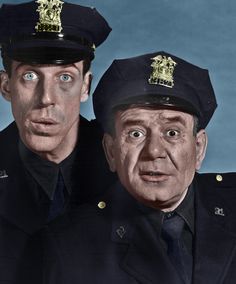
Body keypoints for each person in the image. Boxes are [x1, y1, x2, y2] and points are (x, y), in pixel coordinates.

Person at [43, 51, 236, 284]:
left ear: (199, 148)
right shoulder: (69, 246)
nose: (154, 151)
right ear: (111, 151)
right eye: (136, 133)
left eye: (172, 133)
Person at [0, 0, 113, 283]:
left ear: (85, 86)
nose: (46, 99)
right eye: (29, 76)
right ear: (6, 86)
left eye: (64, 78)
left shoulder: (130, 168)